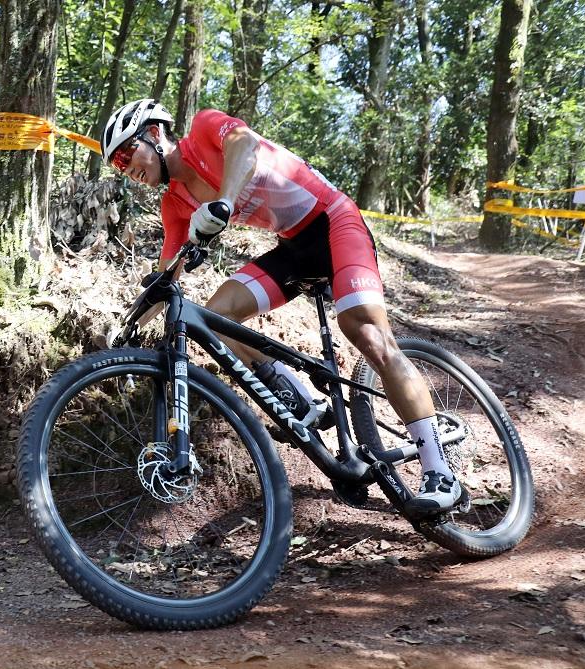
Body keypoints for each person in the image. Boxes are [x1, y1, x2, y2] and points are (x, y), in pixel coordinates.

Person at [100, 98, 466, 515]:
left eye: (127, 154)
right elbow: (167, 274)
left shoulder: (203, 129)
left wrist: (222, 202)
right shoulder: (175, 203)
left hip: (333, 221)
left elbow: (244, 145)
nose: (127, 169)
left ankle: (440, 472)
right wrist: (130, 323)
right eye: (117, 165)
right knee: (218, 316)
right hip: (293, 247)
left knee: (366, 332)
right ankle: (303, 398)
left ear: (156, 133)